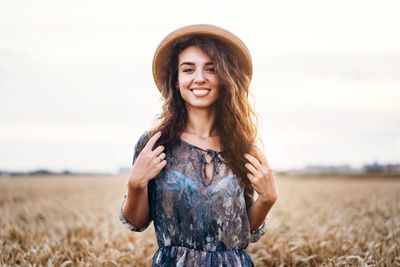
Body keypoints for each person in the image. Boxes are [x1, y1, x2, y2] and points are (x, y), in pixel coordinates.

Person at [119, 24, 278, 267]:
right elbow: (137, 222)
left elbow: (242, 232)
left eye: (211, 69)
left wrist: (267, 200)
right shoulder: (155, 143)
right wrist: (136, 184)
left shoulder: (243, 147)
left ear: (225, 78)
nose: (199, 78)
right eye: (188, 69)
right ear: (176, 80)